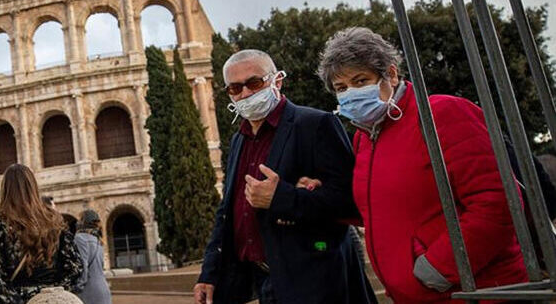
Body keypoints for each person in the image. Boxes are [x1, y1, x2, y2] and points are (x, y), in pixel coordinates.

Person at [315, 27, 527, 303]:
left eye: (360, 80)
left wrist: (437, 268)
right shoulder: (364, 138)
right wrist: (317, 193)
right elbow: (380, 207)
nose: (350, 93)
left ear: (390, 74)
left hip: (474, 292)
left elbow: (498, 202)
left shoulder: (442, 114)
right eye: (341, 88)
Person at [194, 49, 376, 304]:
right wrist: (210, 273)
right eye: (235, 89)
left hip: (316, 282)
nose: (245, 94)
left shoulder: (315, 124)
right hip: (263, 280)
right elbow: (227, 212)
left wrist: (284, 197)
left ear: (276, 81)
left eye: (254, 83)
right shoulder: (238, 140)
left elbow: (352, 200)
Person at [0, 164, 83, 303]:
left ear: (6, 189)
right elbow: (75, 266)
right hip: (52, 299)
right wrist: (55, 292)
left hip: (19, 295)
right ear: (33, 186)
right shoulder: (53, 217)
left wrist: (15, 301)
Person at [74, 209, 111, 304]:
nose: (77, 222)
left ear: (83, 221)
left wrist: (77, 287)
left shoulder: (80, 238)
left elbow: (83, 266)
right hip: (103, 288)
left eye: (79, 219)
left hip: (89, 290)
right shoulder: (98, 240)